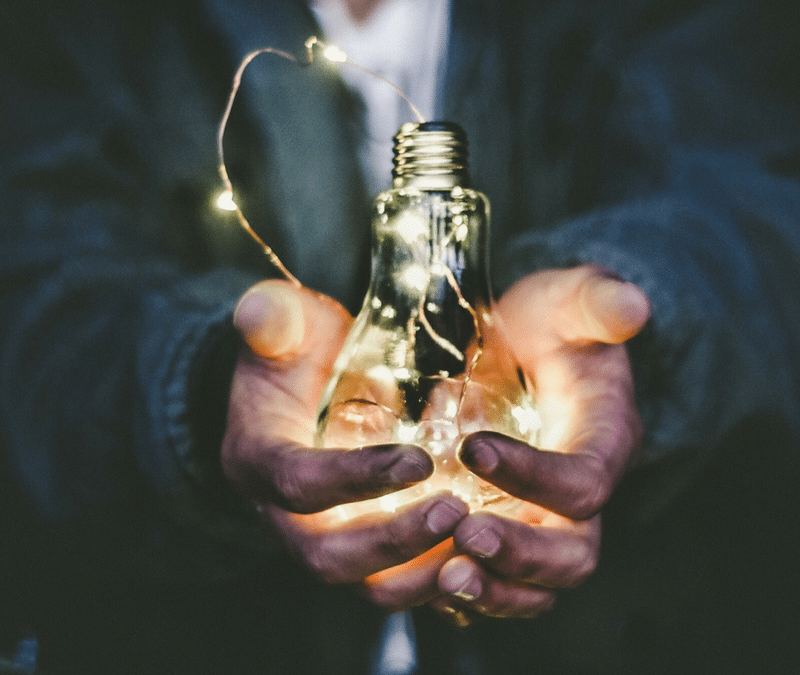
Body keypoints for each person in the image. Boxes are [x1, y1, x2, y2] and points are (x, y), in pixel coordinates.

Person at [1, 0, 799, 673]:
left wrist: (634, 318)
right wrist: (206, 390)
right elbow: (38, 299)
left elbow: (756, 202)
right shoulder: (91, 28)